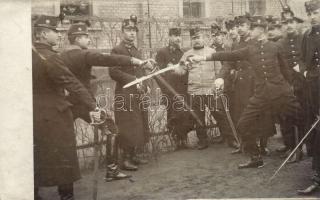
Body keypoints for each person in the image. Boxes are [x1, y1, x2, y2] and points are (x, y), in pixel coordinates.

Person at [187, 16, 302, 169]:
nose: (250, 30)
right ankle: (255, 157)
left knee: (302, 118)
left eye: (253, 28)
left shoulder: (275, 47)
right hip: (261, 95)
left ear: (260, 31)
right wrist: (202, 58)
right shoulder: (250, 49)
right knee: (243, 125)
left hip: (281, 92)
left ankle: (300, 150)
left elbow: (285, 70)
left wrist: (290, 89)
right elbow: (229, 55)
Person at [59, 23, 152, 181]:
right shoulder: (84, 54)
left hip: (67, 103)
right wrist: (134, 60)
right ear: (77, 39)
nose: (88, 39)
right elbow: (108, 59)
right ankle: (112, 170)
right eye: (86, 37)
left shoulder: (60, 56)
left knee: (63, 138)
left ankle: (63, 177)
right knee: (111, 129)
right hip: (86, 105)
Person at [32, 15, 100, 200]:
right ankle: (66, 195)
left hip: (32, 114)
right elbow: (72, 83)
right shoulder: (50, 57)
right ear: (44, 34)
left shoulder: (27, 54)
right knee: (64, 154)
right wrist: (93, 106)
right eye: (55, 31)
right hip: (55, 113)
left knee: (35, 154)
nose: (59, 35)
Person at [175, 27, 239, 150]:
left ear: (204, 38)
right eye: (193, 38)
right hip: (195, 91)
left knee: (219, 113)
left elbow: (219, 71)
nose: (196, 41)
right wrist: (179, 68)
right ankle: (203, 140)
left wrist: (217, 85)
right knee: (198, 117)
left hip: (211, 89)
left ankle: (230, 138)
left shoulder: (212, 52)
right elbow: (181, 72)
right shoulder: (186, 54)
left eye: (198, 37)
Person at [109, 15, 151, 171]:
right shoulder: (117, 50)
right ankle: (126, 159)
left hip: (138, 93)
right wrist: (134, 79)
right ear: (122, 32)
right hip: (124, 93)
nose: (132, 33)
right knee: (127, 124)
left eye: (134, 30)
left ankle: (134, 156)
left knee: (138, 123)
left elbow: (141, 71)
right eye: (128, 30)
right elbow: (113, 72)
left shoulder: (136, 50)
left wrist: (145, 84)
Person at [154, 27, 191, 150]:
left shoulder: (182, 53)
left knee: (184, 115)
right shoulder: (162, 53)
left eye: (179, 36)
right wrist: (166, 90)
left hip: (182, 90)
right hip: (169, 91)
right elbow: (158, 74)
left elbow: (186, 73)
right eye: (174, 35)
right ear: (169, 37)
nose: (177, 38)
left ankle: (183, 140)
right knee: (173, 115)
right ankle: (175, 140)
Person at [297, 0, 320, 194]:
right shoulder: (307, 35)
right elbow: (302, 59)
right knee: (316, 126)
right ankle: (317, 174)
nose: (313, 16)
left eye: (317, 13)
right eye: (310, 14)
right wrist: (304, 72)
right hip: (314, 87)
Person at [277, 16, 307, 163]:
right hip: (286, 86)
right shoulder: (279, 44)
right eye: (285, 23)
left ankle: (303, 148)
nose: (288, 25)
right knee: (287, 117)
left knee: (304, 115)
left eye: (291, 22)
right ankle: (292, 147)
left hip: (305, 84)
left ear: (298, 23)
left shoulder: (305, 39)